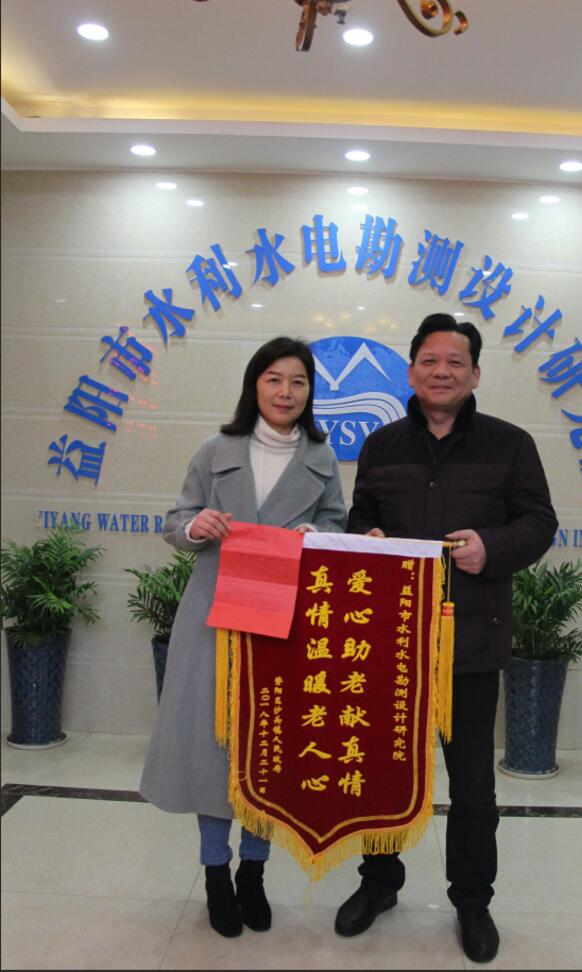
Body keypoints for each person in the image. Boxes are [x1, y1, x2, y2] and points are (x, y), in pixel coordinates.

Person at [334, 314, 557, 962]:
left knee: (474, 789)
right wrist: (367, 538)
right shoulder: (381, 445)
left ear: (475, 374)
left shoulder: (510, 445)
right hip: (390, 642)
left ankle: (472, 901)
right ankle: (379, 883)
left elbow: (539, 523)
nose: (442, 372)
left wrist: (493, 547)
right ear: (411, 371)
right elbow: (360, 518)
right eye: (430, 361)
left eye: (455, 362)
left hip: (471, 643)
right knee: (382, 774)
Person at [140, 336, 347, 939]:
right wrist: (195, 526)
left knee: (267, 750)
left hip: (285, 620)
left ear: (310, 392)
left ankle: (252, 873)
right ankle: (215, 874)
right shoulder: (216, 449)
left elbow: (336, 522)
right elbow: (176, 522)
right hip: (215, 616)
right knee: (212, 750)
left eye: (298, 382)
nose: (286, 392)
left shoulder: (321, 458)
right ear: (255, 385)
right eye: (274, 379)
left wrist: (315, 535)